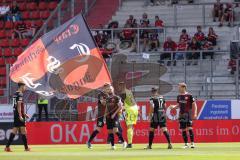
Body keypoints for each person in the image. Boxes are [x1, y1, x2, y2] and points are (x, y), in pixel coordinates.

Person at [169, 83, 197, 149]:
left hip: (188, 114)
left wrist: (195, 113)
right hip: (181, 114)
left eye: (179, 87)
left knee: (190, 128)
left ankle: (192, 143)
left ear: (183, 87)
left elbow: (194, 105)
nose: (178, 88)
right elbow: (178, 105)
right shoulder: (178, 96)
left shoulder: (189, 95)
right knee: (183, 129)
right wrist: (173, 107)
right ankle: (186, 144)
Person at [5, 82, 30, 152]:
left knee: (15, 130)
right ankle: (26, 148)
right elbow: (19, 105)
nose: (25, 88)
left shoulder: (15, 94)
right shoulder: (20, 94)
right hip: (19, 115)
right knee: (23, 130)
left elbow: (15, 106)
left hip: (16, 114)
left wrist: (23, 113)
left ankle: (7, 147)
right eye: (24, 86)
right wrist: (20, 115)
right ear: (21, 86)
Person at [87, 83, 110, 149]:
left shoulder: (109, 95)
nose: (108, 89)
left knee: (111, 127)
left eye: (109, 88)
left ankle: (110, 142)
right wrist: (109, 101)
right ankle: (89, 142)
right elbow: (102, 102)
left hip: (108, 114)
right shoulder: (100, 94)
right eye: (107, 88)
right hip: (101, 115)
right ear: (104, 88)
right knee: (98, 129)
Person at [105, 86, 127, 150]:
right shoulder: (107, 98)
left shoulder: (117, 97)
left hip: (115, 116)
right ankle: (112, 146)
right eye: (108, 89)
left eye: (110, 89)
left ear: (113, 89)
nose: (109, 90)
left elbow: (120, 107)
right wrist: (105, 115)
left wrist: (114, 114)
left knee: (115, 130)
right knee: (110, 131)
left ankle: (123, 142)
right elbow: (106, 107)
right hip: (108, 116)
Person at [118, 81, 138, 148]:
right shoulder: (129, 91)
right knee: (131, 127)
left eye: (120, 86)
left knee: (129, 126)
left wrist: (120, 110)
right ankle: (130, 141)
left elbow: (121, 104)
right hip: (135, 108)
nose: (119, 87)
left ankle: (130, 144)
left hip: (130, 109)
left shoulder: (122, 93)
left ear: (122, 86)